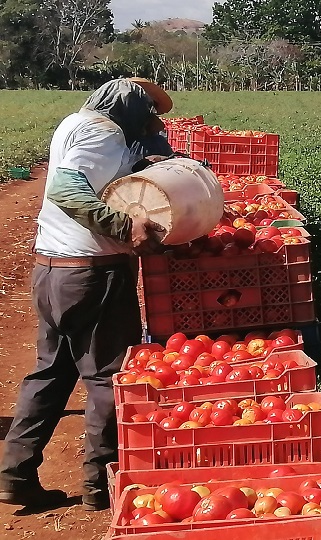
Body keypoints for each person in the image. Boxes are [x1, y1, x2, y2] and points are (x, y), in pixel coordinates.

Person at [0, 78, 172, 511]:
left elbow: (99, 175)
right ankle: (102, 484)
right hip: (93, 273)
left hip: (52, 268)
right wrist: (123, 226)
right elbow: (65, 186)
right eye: (148, 112)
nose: (151, 121)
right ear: (129, 109)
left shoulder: (75, 124)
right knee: (106, 377)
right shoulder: (104, 133)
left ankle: (14, 475)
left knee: (50, 372)